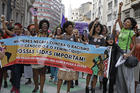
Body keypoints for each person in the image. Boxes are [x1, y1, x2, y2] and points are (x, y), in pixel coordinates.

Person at [114, 2, 137, 93]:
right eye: (125, 21)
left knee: (127, 75)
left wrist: (129, 54)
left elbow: (134, 45)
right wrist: (120, 7)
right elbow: (119, 18)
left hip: (126, 53)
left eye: (127, 22)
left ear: (131, 25)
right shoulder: (122, 29)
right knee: (119, 75)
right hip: (119, 53)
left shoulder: (131, 32)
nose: (125, 22)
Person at [57, 21, 78, 93]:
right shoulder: (63, 36)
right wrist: (52, 37)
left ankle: (68, 91)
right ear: (66, 29)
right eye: (70, 27)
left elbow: (78, 45)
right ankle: (58, 91)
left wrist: (83, 43)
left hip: (71, 60)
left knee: (69, 78)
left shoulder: (74, 36)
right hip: (63, 59)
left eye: (72, 27)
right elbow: (55, 39)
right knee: (60, 77)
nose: (71, 29)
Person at [85, 19, 105, 93]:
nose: (98, 28)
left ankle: (93, 89)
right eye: (97, 27)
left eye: (99, 27)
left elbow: (104, 49)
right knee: (89, 74)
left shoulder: (102, 38)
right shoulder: (91, 37)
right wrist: (94, 23)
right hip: (90, 59)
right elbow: (89, 35)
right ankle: (87, 87)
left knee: (96, 74)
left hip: (98, 60)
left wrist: (99, 48)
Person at [131, 27, 140, 93]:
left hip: (137, 61)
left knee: (135, 79)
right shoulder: (128, 39)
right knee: (129, 78)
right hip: (128, 61)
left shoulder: (139, 39)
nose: (134, 31)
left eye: (135, 30)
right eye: (133, 30)